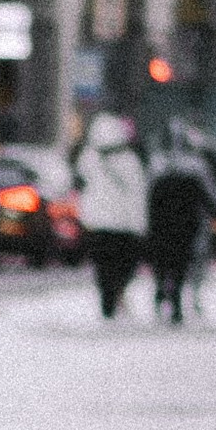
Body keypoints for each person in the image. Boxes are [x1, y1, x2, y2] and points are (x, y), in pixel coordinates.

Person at [73, 109, 149, 319]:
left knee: (103, 267)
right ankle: (118, 295)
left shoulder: (88, 158)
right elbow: (137, 193)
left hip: (97, 224)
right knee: (123, 265)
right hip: (124, 226)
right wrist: (140, 223)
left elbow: (82, 185)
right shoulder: (129, 159)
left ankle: (108, 303)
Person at [145, 129, 216, 324]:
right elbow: (206, 197)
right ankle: (173, 301)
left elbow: (149, 197)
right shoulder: (195, 169)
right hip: (185, 225)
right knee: (178, 264)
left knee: (164, 263)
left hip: (163, 225)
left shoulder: (157, 166)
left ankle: (163, 294)